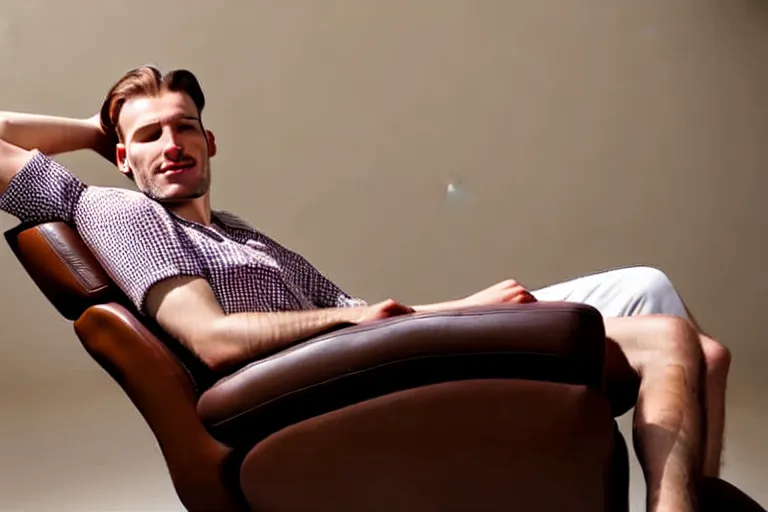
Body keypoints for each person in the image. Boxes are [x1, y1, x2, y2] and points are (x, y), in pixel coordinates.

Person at [0, 66, 730, 511]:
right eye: (149, 135)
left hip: (361, 358)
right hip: (317, 391)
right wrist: (95, 131)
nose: (172, 145)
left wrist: (462, 310)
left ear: (210, 142)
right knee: (669, 342)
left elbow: (359, 311)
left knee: (663, 308)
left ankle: (693, 496)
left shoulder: (240, 232)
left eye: (184, 127)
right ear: (123, 156)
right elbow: (214, 340)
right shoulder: (116, 209)